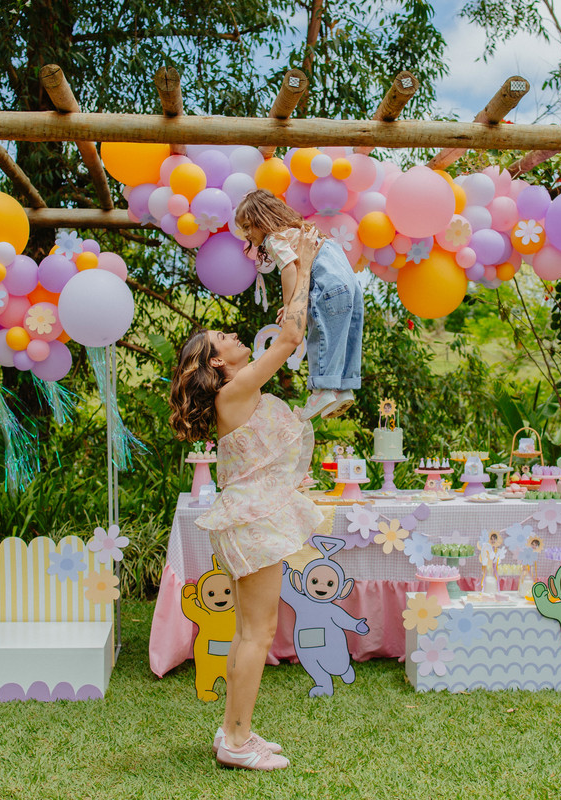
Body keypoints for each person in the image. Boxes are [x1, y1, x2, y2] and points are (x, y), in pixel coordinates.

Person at [168, 226, 323, 771]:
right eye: (223, 338)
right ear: (217, 362)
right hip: (252, 522)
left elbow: (287, 328)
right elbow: (290, 337)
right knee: (258, 632)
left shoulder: (238, 391)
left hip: (251, 519)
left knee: (249, 631)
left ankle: (234, 730)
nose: (234, 336)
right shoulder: (235, 391)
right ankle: (236, 741)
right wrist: (300, 262)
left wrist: (294, 266)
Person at [234, 189, 364, 420]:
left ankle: (321, 391)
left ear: (262, 219)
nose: (246, 234)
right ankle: (344, 388)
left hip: (329, 285)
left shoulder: (274, 239)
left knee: (321, 333)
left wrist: (289, 303)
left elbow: (289, 268)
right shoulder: (301, 232)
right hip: (351, 287)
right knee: (343, 336)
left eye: (247, 226)